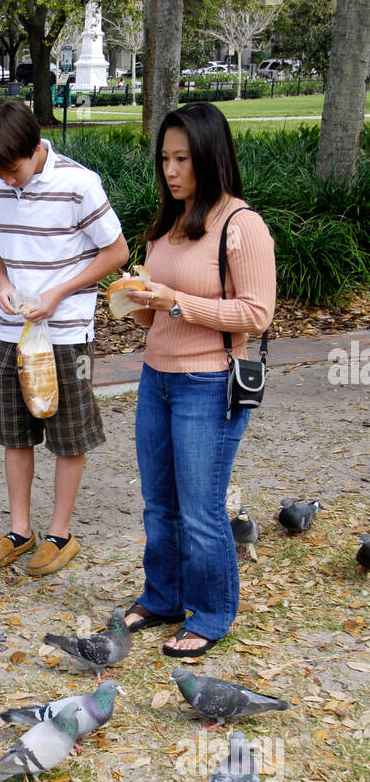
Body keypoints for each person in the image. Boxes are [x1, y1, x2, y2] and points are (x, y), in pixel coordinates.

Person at [122, 101, 276, 656]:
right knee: (157, 502)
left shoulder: (241, 226)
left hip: (208, 383)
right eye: (165, 158)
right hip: (155, 378)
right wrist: (136, 299)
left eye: (182, 158)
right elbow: (155, 313)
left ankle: (211, 612)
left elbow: (257, 314)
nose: (170, 170)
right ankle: (162, 596)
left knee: (201, 508)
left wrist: (178, 303)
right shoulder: (166, 225)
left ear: (208, 157)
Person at [0, 101, 129, 576]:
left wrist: (59, 293)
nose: (8, 180)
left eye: (13, 170)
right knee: (14, 434)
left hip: (65, 333)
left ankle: (61, 534)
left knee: (67, 435)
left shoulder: (79, 183)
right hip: (11, 331)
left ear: (35, 147)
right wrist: (1, 285)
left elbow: (117, 251)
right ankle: (21, 530)